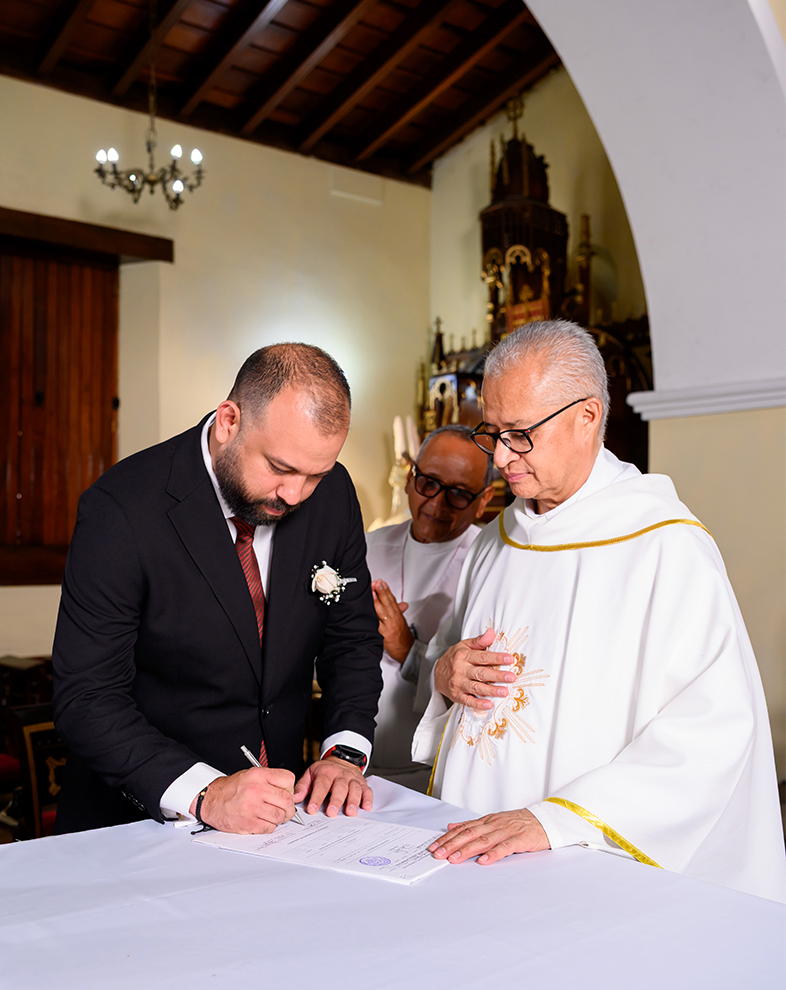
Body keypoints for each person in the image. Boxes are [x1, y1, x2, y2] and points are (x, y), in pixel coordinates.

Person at [413, 320, 786, 903]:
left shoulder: (664, 545)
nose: (501, 457)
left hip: (586, 856)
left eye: (520, 434)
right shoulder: (494, 541)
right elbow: (446, 659)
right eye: (494, 433)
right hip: (472, 843)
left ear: (587, 416)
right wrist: (444, 673)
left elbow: (712, 730)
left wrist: (556, 819)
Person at [53, 343, 382, 835]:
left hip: (283, 821)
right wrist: (205, 793)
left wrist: (344, 754)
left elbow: (352, 640)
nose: (294, 495)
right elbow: (87, 697)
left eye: (315, 474)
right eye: (280, 468)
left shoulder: (333, 496)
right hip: (142, 819)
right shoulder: (122, 508)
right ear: (229, 421)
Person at [366, 425, 495, 792]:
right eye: (428, 484)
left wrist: (408, 650)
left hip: (434, 772)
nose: (437, 504)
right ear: (411, 477)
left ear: (484, 499)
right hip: (353, 760)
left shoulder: (491, 563)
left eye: (459, 494)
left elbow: (488, 685)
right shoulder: (365, 548)